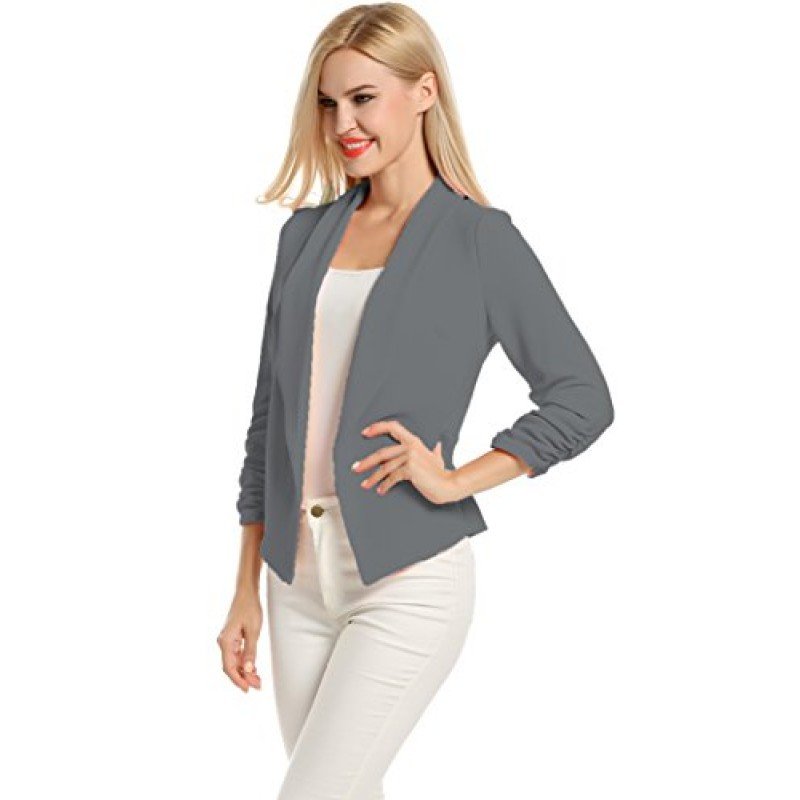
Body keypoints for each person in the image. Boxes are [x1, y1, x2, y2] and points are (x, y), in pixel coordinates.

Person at [218, 4, 614, 798]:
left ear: (424, 92)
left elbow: (581, 396)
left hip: (406, 577)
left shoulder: (479, 239)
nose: (343, 123)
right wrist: (244, 589)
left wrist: (457, 478)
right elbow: (269, 418)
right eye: (329, 103)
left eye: (364, 98)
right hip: (295, 581)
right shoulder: (304, 237)